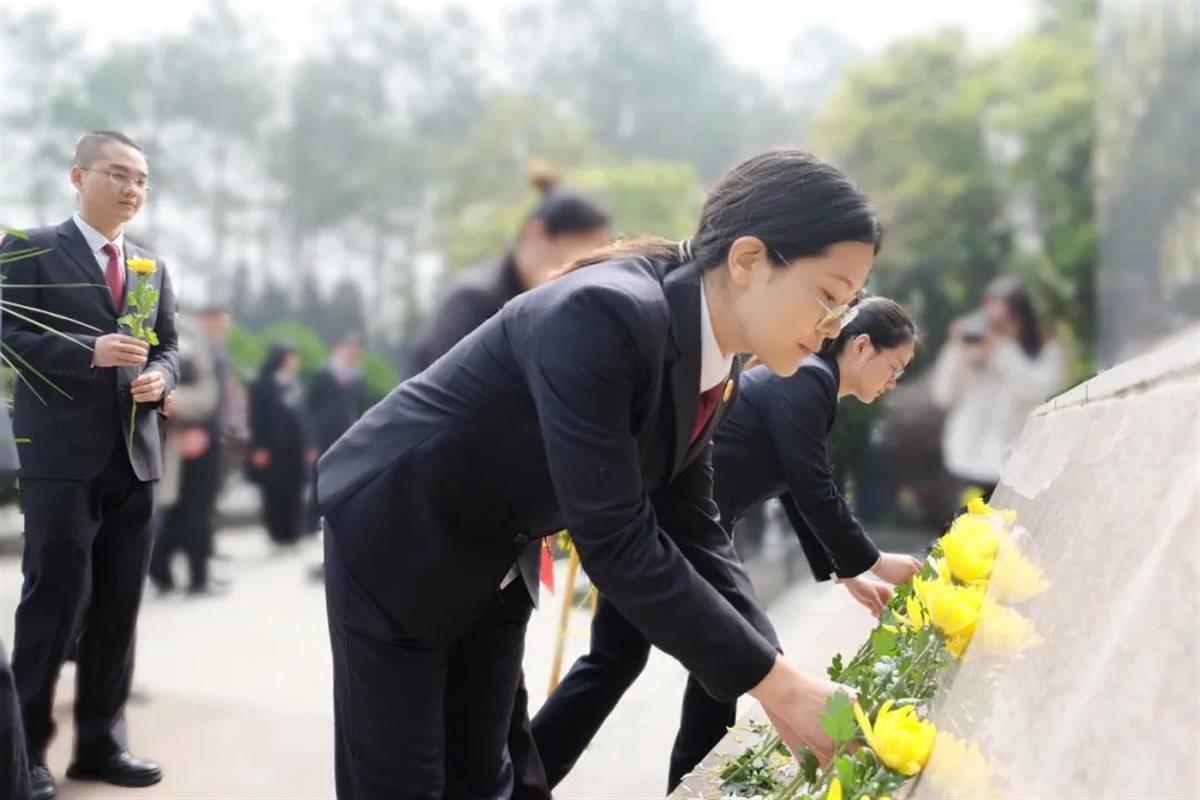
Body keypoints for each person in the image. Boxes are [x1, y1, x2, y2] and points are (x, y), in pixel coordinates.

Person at [317, 148, 881, 798]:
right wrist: (777, 685)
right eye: (828, 296)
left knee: (487, 773)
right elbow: (615, 537)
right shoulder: (606, 313)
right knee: (403, 782)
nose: (832, 328)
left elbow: (693, 523)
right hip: (400, 534)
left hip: (493, 552)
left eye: (847, 307)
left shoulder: (716, 362)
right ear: (749, 259)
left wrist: (780, 677)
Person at [532, 297, 924, 791]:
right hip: (680, 528)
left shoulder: (809, 382)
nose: (894, 382)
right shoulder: (807, 380)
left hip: (674, 524)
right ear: (863, 346)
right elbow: (813, 488)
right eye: (895, 367)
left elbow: (796, 488)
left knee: (632, 661)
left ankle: (529, 779)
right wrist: (876, 562)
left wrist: (848, 574)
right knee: (739, 653)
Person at [0, 130, 178, 799]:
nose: (132, 188)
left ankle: (102, 744)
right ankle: (23, 753)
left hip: (135, 460)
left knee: (118, 607)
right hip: (60, 461)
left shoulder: (150, 267)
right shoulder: (29, 248)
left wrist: (161, 378)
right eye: (118, 173)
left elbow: (169, 346)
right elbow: (6, 333)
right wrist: (88, 353)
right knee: (52, 604)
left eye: (142, 179)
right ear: (78, 176)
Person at [931, 276, 1065, 503]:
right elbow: (943, 396)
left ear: (1023, 318)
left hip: (1014, 466)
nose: (997, 329)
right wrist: (956, 351)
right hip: (964, 464)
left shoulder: (1044, 352)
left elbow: (1037, 390)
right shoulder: (967, 349)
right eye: (992, 321)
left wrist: (1002, 351)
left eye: (1005, 320)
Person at [149, 308, 226, 596]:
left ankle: (186, 574)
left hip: (195, 434)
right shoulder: (181, 333)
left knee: (189, 511)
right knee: (182, 512)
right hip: (178, 436)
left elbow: (209, 393)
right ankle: (168, 572)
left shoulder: (198, 339)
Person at [247, 343, 311, 546]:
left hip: (295, 447)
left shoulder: (297, 384)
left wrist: (309, 445)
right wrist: (257, 447)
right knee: (274, 491)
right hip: (272, 448)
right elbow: (255, 419)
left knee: (295, 490)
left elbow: (304, 418)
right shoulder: (261, 385)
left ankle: (294, 531)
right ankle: (277, 532)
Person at [305, 335, 368, 534]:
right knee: (319, 478)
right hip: (323, 435)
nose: (352, 353)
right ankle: (312, 522)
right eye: (349, 348)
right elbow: (309, 409)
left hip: (348, 434)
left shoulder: (358, 378)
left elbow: (359, 408)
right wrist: (310, 442)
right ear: (338, 348)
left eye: (355, 350)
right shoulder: (322, 375)